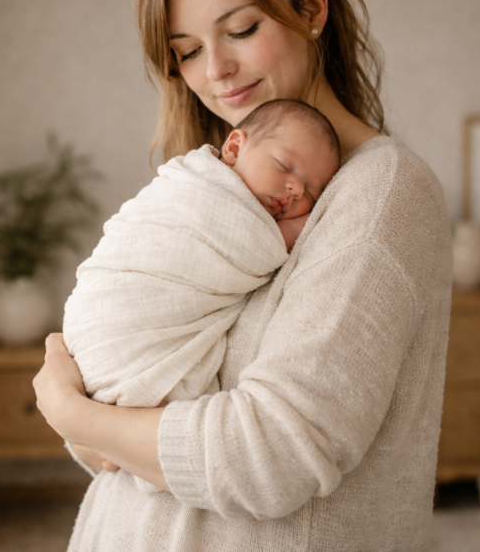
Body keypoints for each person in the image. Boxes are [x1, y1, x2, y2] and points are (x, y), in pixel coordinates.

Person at [32, 0, 452, 552]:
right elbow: (122, 427)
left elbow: (275, 453)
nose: (216, 71)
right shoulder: (219, 194)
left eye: (242, 30)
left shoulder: (381, 193)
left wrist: (70, 410)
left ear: (312, 9)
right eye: (188, 50)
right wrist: (93, 413)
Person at [63, 100, 339, 494]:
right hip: (109, 312)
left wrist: (74, 417)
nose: (295, 189)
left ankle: (121, 430)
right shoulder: (193, 188)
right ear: (234, 148)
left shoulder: (254, 218)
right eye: (284, 166)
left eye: (313, 190)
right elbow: (265, 241)